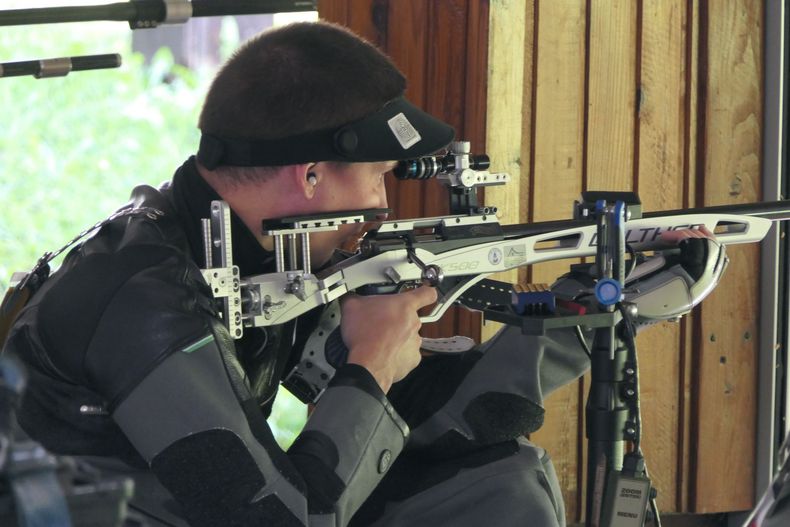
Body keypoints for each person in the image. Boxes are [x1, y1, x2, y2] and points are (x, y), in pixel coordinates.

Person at [2, 21, 727, 527]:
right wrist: (368, 368)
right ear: (311, 175)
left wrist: (605, 302)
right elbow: (285, 518)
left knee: (500, 482)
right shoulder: (147, 302)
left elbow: (437, 418)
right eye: (378, 177)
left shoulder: (259, 256)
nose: (382, 205)